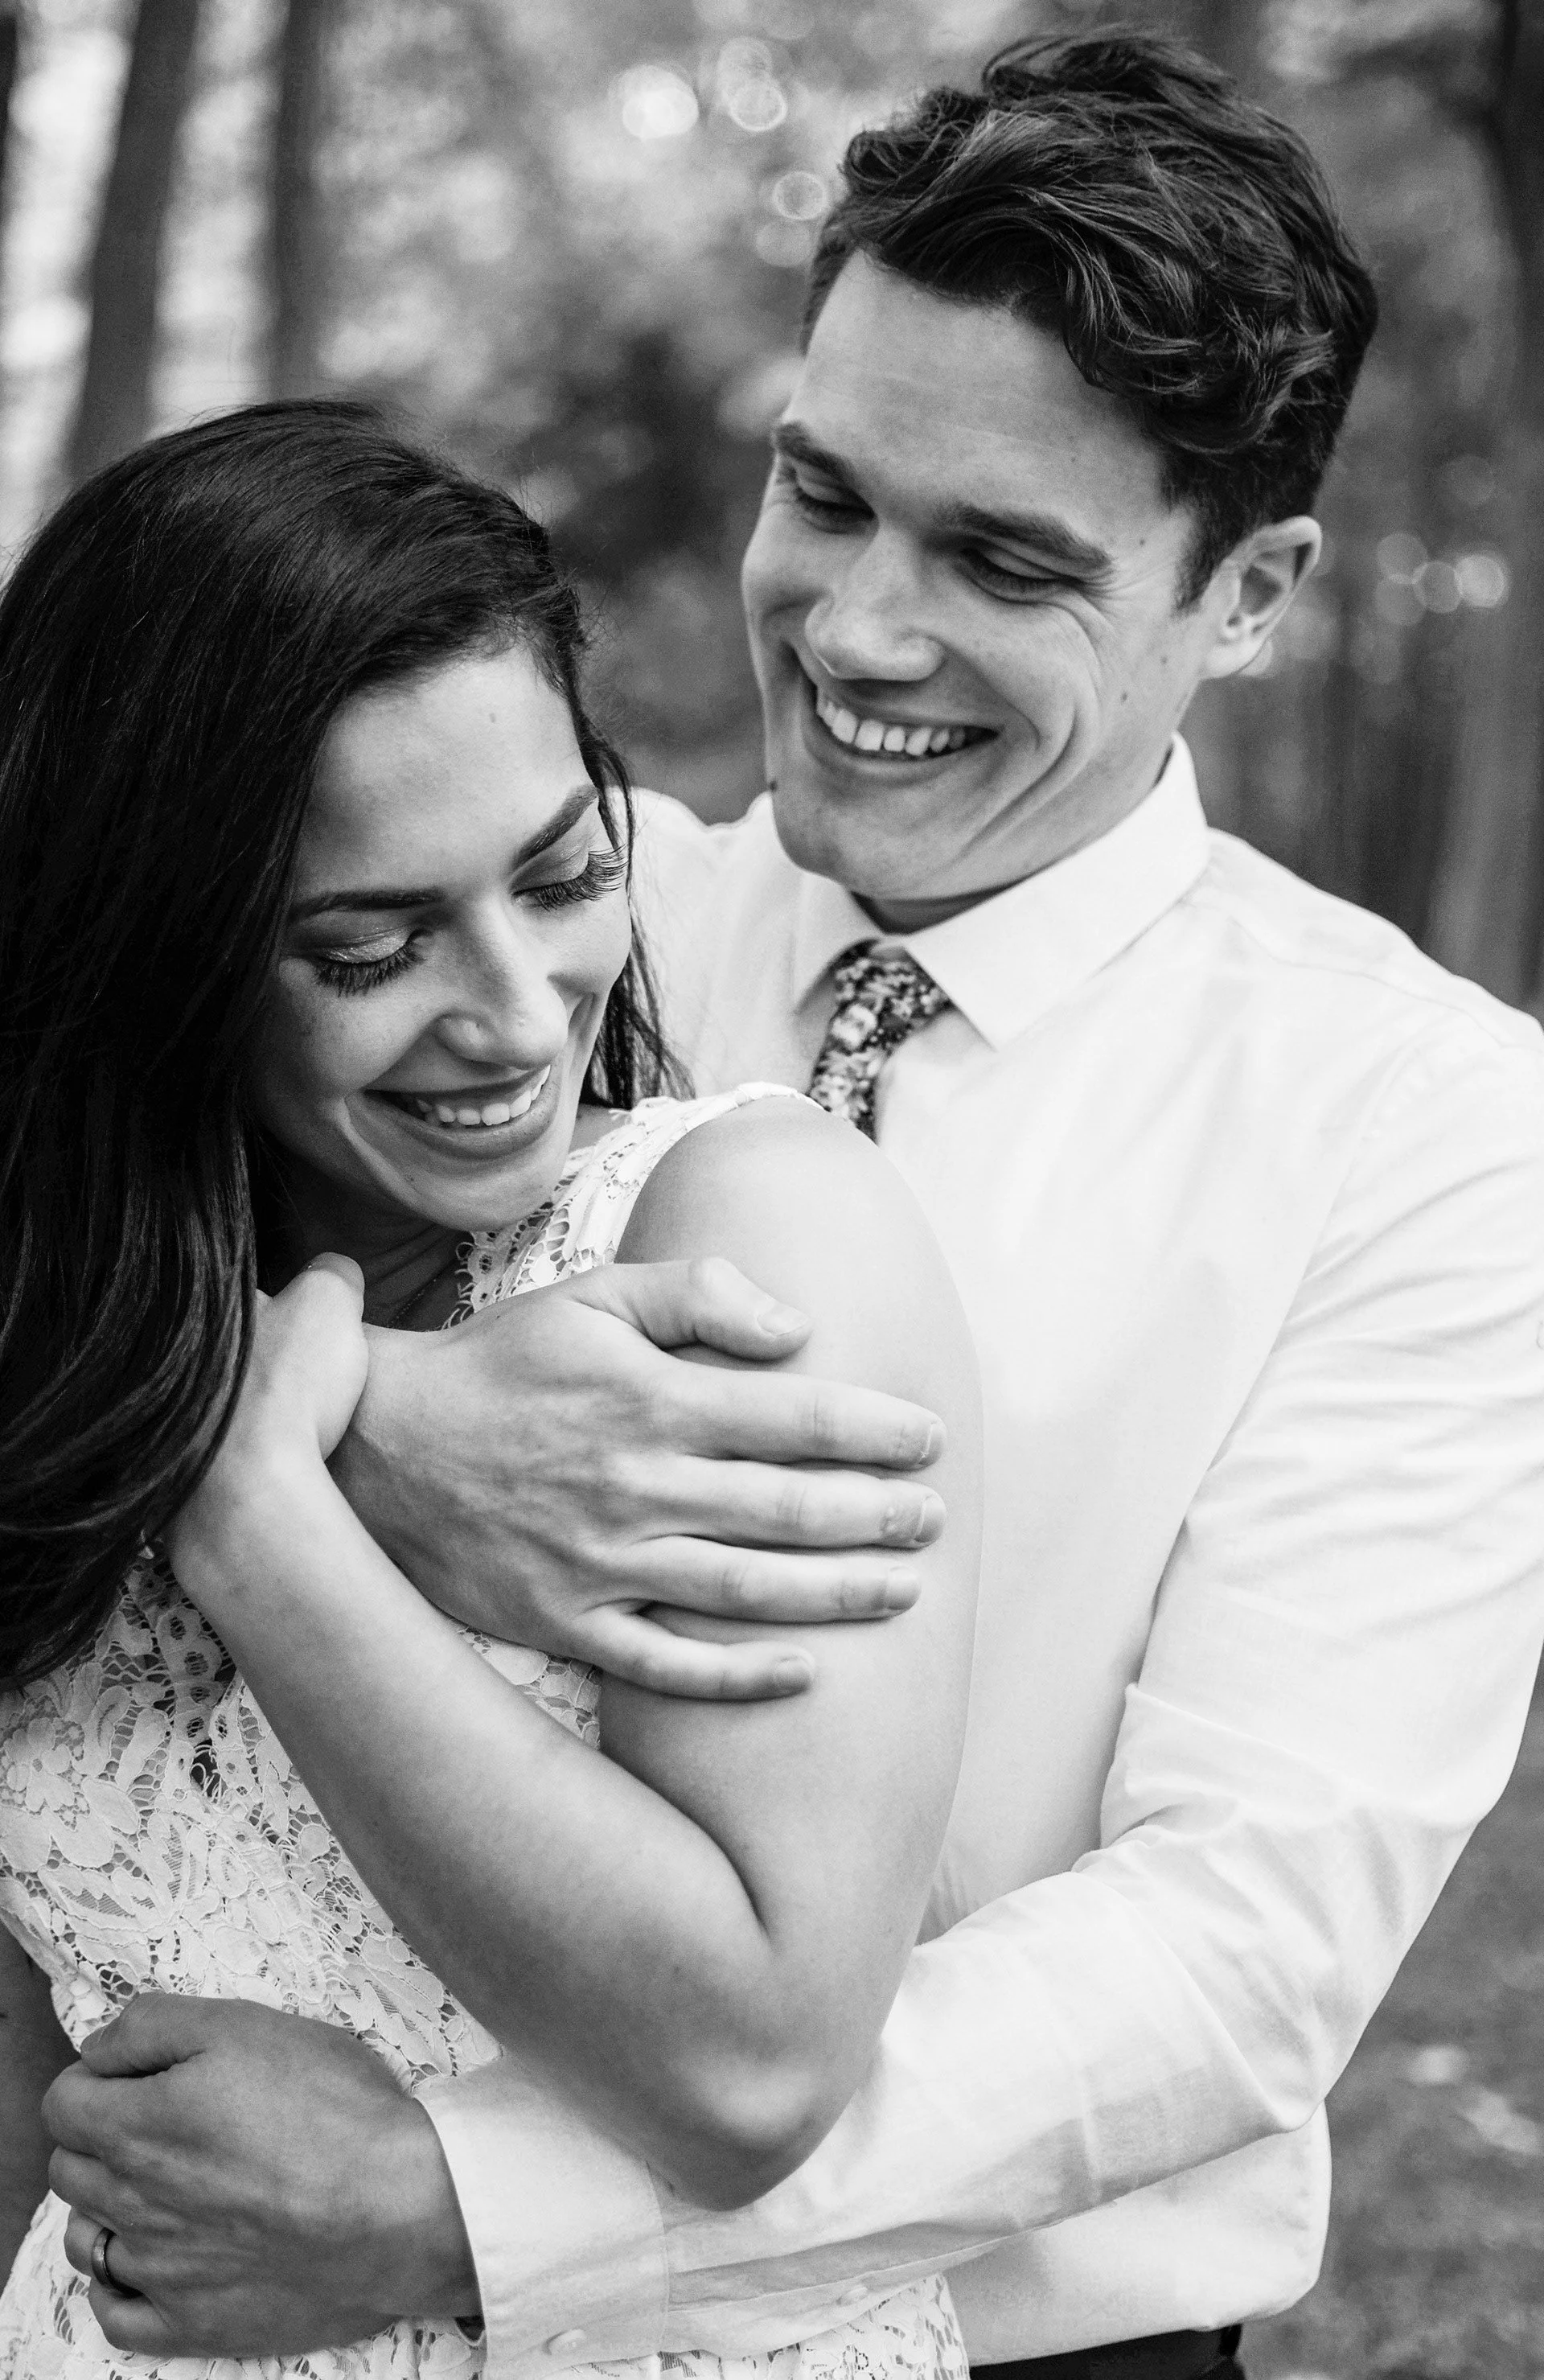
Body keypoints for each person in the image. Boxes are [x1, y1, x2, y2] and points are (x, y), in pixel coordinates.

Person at [38, 27, 1544, 2380]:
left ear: (1251, 592)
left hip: (1022, 2342)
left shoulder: (1424, 1122)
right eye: (824, 492)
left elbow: (1230, 1951)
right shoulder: (542, 920)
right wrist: (346, 1408)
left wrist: (465, 2196)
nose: (852, 629)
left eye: (1002, 560)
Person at [0, 402, 985, 2378]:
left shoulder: (742, 1245)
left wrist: (270, 1521)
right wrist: (324, 1399)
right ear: (153, 956)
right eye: (370, 946)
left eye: (558, 876)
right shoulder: (57, 1329)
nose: (519, 1013)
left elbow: (748, 2058)